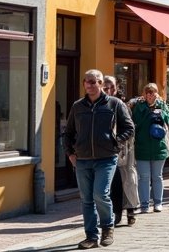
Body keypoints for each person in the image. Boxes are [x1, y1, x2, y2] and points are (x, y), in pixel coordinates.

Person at [63, 69, 135, 250]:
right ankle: (91, 237)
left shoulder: (115, 104)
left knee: (100, 194)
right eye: (87, 81)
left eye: (93, 82)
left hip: (106, 158)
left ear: (101, 84)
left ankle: (107, 229)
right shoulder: (78, 106)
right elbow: (68, 133)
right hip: (82, 159)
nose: (90, 85)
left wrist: (115, 143)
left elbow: (129, 128)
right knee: (86, 199)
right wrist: (70, 154)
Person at [104, 77, 138, 231]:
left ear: (116, 88)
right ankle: (116, 212)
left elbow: (130, 128)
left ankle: (130, 210)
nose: (109, 90)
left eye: (111, 87)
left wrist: (119, 140)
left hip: (124, 148)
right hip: (106, 150)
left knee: (128, 179)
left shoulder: (121, 105)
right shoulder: (99, 104)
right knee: (114, 182)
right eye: (106, 87)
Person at [131, 82, 169, 215]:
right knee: (143, 177)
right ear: (144, 93)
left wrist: (161, 114)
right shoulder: (139, 106)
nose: (150, 94)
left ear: (157, 93)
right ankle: (144, 204)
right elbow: (135, 121)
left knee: (157, 176)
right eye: (147, 92)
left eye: (153, 92)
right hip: (142, 146)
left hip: (158, 146)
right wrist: (147, 112)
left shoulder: (162, 105)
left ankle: (158, 203)